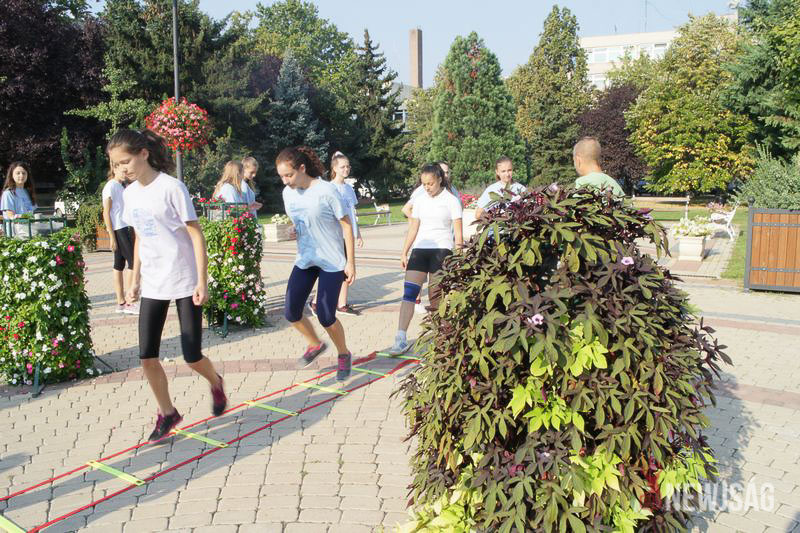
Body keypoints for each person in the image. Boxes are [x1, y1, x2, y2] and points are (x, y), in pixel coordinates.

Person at [107, 129, 227, 442]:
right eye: (117, 165)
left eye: (125, 161)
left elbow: (196, 234)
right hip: (154, 283)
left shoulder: (172, 187)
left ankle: (215, 381)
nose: (122, 169)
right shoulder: (129, 194)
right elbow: (139, 237)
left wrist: (202, 280)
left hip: (185, 279)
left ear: (143, 153)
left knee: (192, 355)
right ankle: (167, 412)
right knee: (147, 357)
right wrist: (135, 279)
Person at [278, 146, 356, 381]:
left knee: (325, 315)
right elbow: (300, 222)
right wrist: (293, 230)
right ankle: (314, 343)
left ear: (302, 168)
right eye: (281, 176)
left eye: (289, 175)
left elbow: (346, 226)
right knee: (291, 311)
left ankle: (343, 353)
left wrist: (351, 263)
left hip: (331, 261)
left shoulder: (326, 190)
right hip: (306, 259)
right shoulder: (288, 193)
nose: (285, 181)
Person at [388, 164, 463, 355]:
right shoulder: (420, 200)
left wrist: (459, 256)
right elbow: (414, 227)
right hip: (420, 250)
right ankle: (400, 338)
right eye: (424, 184)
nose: (427, 187)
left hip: (442, 250)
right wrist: (404, 251)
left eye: (430, 183)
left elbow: (458, 234)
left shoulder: (451, 200)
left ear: (440, 179)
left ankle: (443, 338)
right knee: (409, 293)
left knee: (436, 297)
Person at [310, 151, 363, 317]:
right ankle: (316, 301)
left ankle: (342, 304)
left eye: (348, 166)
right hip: (334, 235)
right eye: (342, 167)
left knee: (347, 267)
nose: (346, 169)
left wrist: (358, 233)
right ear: (334, 168)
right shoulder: (330, 188)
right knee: (331, 269)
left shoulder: (349, 189)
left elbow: (352, 213)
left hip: (348, 235)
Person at [102, 164, 137, 314]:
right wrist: (112, 236)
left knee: (118, 265)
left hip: (124, 227)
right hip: (119, 229)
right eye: (123, 171)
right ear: (114, 169)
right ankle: (129, 302)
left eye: (126, 171)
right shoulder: (110, 186)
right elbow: (106, 212)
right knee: (133, 263)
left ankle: (121, 302)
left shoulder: (121, 186)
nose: (125, 173)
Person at [2, 162, 37, 235]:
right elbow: (11, 216)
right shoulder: (8, 193)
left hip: (30, 231)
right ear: (12, 175)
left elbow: (32, 213)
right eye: (18, 173)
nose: (21, 175)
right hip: (15, 234)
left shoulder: (28, 192)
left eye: (24, 173)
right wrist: (26, 216)